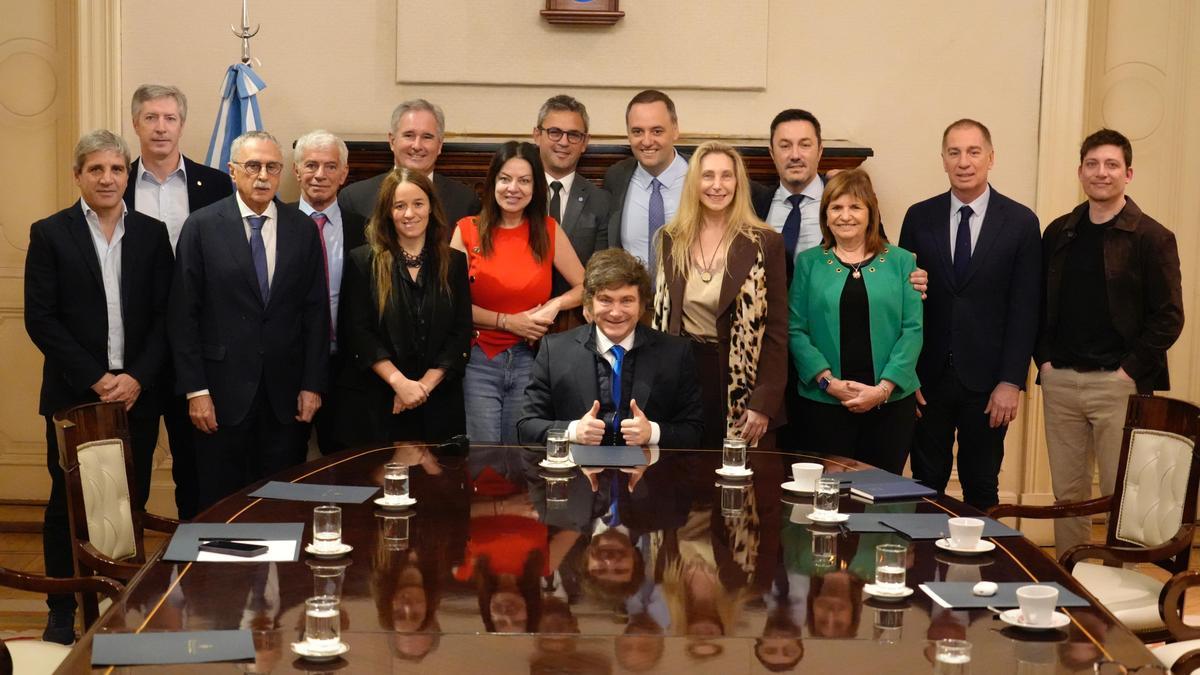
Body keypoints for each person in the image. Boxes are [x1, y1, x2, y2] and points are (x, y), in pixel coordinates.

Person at [24, 129, 173, 643]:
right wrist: (96, 378)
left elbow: (164, 316)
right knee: (67, 503)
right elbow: (41, 320)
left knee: (127, 500)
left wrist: (135, 378)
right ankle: (62, 606)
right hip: (75, 394)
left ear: (126, 176)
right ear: (78, 176)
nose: (107, 178)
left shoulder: (153, 235)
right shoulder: (50, 233)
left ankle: (117, 598)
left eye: (116, 169)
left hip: (137, 393)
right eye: (96, 170)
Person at [1037, 128, 1184, 557]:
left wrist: (1128, 371)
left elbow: (1169, 317)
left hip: (1117, 385)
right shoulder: (1059, 232)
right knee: (1068, 496)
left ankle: (1117, 587)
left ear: (1128, 173)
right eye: (1092, 164)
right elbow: (1040, 305)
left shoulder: (1152, 238)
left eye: (1111, 165)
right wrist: (1044, 361)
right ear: (1080, 171)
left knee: (1125, 494)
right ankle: (1074, 579)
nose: (1101, 173)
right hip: (1061, 382)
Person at [169, 131, 329, 511]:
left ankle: (277, 573)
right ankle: (218, 573)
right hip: (220, 396)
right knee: (220, 504)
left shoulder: (301, 229)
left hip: (284, 397)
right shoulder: (202, 226)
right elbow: (183, 315)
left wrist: (312, 384)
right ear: (232, 171)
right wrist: (196, 391)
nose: (262, 176)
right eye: (253, 166)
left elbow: (316, 311)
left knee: (281, 504)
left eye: (272, 167)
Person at [899, 119, 1041, 510]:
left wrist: (1011, 381)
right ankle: (926, 567)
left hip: (989, 383)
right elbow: (904, 304)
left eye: (974, 152)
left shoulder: (1021, 223)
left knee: (982, 484)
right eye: (955, 152)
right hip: (927, 380)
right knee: (924, 484)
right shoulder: (918, 217)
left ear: (991, 158)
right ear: (943, 159)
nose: (964, 162)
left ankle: (985, 569)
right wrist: (905, 376)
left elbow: (1026, 309)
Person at [122, 83, 232, 520]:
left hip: (199, 354)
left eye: (169, 118)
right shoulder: (115, 180)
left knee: (199, 474)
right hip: (136, 354)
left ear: (182, 125)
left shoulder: (218, 185)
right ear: (135, 124)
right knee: (130, 478)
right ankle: (129, 581)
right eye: (151, 118)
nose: (161, 128)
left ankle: (195, 578)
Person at [651, 141, 788, 450]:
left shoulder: (765, 241)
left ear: (738, 183)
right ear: (693, 183)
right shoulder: (671, 239)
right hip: (683, 375)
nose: (717, 185)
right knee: (680, 479)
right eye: (707, 175)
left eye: (726, 176)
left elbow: (777, 331)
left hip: (739, 379)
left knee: (737, 485)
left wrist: (763, 401)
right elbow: (661, 320)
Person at [450, 141, 584, 445]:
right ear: (492, 182)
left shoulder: (547, 230)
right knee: (483, 456)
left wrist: (554, 305)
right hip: (477, 359)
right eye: (505, 178)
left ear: (536, 187)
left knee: (521, 455)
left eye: (524, 180)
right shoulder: (467, 230)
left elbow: (586, 286)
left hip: (530, 359)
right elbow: (449, 303)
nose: (514, 188)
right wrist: (506, 322)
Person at [788, 169, 922, 473]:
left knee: (881, 502)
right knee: (826, 501)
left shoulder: (902, 261)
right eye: (836, 207)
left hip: (889, 405)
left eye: (854, 207)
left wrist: (883, 389)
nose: (845, 216)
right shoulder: (808, 263)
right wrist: (828, 383)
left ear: (870, 213)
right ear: (825, 214)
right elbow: (796, 329)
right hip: (824, 404)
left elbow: (912, 330)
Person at [336, 168, 471, 446]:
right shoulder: (363, 261)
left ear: (431, 207)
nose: (409, 214)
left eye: (418, 204)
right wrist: (400, 383)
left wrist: (421, 388)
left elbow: (460, 332)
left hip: (439, 402)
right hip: (380, 402)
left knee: (440, 486)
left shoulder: (454, 262)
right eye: (400, 206)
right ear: (388, 212)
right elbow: (358, 333)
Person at [517, 248, 704, 449]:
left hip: (650, 476)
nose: (616, 312)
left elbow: (696, 432)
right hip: (577, 476)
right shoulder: (554, 350)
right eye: (605, 300)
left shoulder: (675, 353)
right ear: (589, 303)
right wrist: (572, 431)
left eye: (626, 300)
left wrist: (653, 432)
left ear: (641, 305)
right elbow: (526, 428)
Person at [289, 130, 367, 455]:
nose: (320, 175)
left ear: (344, 173)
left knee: (347, 466)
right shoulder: (275, 226)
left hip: (348, 369)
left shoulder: (366, 230)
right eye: (310, 165)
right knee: (286, 465)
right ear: (296, 171)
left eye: (330, 166)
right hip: (291, 366)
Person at [340, 99, 480, 227]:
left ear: (440, 145)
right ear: (392, 141)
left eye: (427, 137)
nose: (417, 146)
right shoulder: (355, 199)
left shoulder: (465, 201)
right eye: (409, 135)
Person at [533, 94, 611, 299]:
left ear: (584, 142)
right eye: (555, 132)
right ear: (537, 135)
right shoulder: (517, 194)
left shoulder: (601, 201)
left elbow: (600, 272)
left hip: (577, 318)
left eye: (574, 135)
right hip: (519, 314)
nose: (564, 142)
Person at [604, 89, 688, 273]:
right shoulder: (616, 177)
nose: (647, 141)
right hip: (631, 298)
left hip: (690, 299)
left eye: (657, 131)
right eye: (637, 131)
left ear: (675, 130)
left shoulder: (700, 176)